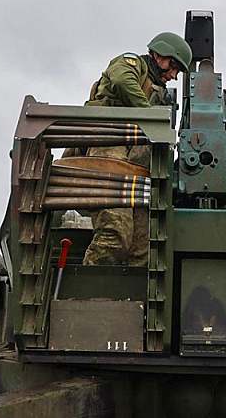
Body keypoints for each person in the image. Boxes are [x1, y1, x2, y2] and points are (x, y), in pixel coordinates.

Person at [81, 32, 192, 267]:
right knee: (114, 236)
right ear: (160, 55)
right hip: (109, 149)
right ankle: (86, 286)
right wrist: (149, 115)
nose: (173, 76)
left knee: (142, 250)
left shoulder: (160, 93)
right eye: (174, 67)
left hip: (138, 170)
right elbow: (122, 81)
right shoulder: (132, 64)